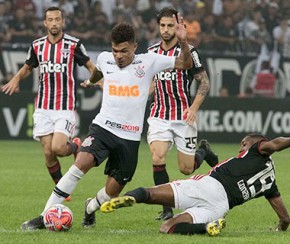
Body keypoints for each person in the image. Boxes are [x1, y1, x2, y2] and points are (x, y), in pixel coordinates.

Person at [20, 12, 193, 230]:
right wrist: (92, 82)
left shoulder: (150, 62)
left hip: (129, 139)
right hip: (103, 128)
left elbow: (185, 64)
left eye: (124, 51)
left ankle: (90, 208)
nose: (118, 56)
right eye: (115, 50)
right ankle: (44, 217)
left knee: (111, 193)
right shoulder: (104, 58)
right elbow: (97, 73)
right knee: (79, 165)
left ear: (134, 47)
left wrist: (184, 41)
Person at [101, 133, 290, 236]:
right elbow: (285, 219)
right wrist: (279, 228)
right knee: (167, 227)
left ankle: (131, 197)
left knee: (148, 193)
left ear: (258, 143)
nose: (240, 148)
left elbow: (276, 143)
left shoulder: (259, 149)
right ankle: (207, 227)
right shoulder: (270, 183)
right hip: (220, 208)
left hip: (208, 188)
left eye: (244, 144)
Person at [2, 7, 98, 196]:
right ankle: (63, 191)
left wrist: (97, 80)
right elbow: (28, 67)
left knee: (59, 148)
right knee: (48, 153)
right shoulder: (37, 45)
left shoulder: (73, 45)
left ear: (63, 22)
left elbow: (90, 66)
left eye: (57, 19)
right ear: (45, 23)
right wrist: (15, 79)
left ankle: (76, 145)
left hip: (65, 107)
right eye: (50, 20)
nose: (54, 23)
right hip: (43, 107)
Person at [147, 7, 218, 220]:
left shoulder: (190, 51)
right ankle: (167, 208)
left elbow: (203, 82)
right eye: (163, 25)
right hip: (159, 114)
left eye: (171, 25)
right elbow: (151, 82)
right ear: (158, 26)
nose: (166, 30)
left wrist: (193, 108)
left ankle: (203, 150)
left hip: (182, 116)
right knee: (157, 156)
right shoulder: (150, 52)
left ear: (178, 27)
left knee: (186, 169)